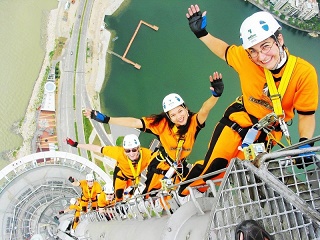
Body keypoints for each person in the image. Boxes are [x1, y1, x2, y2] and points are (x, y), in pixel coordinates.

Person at [178, 5, 318, 196]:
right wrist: (201, 33)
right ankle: (186, 193)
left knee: (240, 176)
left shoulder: (303, 73)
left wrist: (305, 143)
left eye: (266, 46)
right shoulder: (246, 59)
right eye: (253, 50)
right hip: (238, 119)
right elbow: (224, 51)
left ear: (279, 39)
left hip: (267, 132)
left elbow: (307, 115)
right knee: (214, 168)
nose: (261, 56)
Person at [83, 72, 224, 196]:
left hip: (178, 165)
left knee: (192, 179)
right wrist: (107, 119)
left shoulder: (194, 122)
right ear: (168, 117)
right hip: (161, 165)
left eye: (180, 111)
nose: (179, 117)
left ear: (186, 108)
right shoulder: (161, 124)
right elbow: (134, 123)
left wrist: (215, 96)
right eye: (173, 114)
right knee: (151, 191)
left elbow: (204, 110)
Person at [66, 134, 153, 202]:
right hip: (121, 176)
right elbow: (97, 149)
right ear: (124, 150)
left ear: (139, 148)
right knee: (118, 195)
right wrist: (76, 144)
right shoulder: (119, 153)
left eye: (134, 150)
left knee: (130, 194)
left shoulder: (147, 154)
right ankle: (119, 206)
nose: (131, 153)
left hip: (134, 178)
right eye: (127, 150)